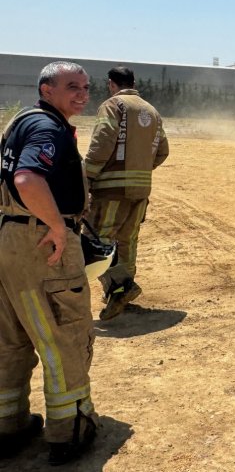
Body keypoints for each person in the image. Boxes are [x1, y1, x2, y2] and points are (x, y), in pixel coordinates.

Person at [0, 61, 99, 465]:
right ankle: (68, 430)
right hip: (41, 244)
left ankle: (8, 424)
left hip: (11, 240)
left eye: (86, 87)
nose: (81, 93)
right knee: (64, 335)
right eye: (71, 86)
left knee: (11, 339)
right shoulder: (48, 128)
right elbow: (27, 179)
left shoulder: (21, 122)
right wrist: (57, 226)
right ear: (46, 90)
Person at [85, 66, 169, 321]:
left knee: (94, 240)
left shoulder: (113, 105)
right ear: (134, 82)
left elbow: (102, 143)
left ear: (111, 84)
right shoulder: (151, 111)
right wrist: (142, 168)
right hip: (141, 190)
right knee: (127, 240)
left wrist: (86, 176)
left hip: (111, 189)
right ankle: (119, 293)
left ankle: (120, 286)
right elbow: (163, 151)